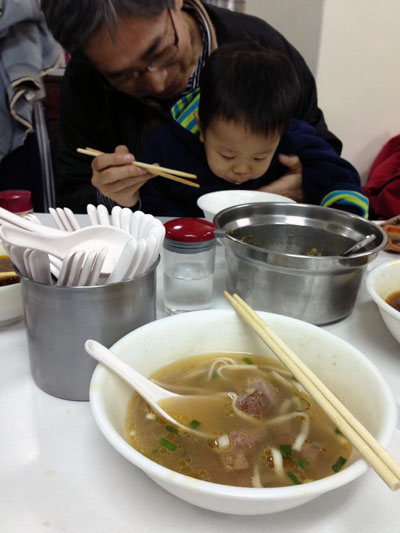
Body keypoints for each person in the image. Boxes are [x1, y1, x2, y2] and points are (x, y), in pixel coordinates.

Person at [41, 0, 342, 213]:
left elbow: (323, 148)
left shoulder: (263, 53)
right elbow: (73, 192)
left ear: (175, 2)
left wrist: (306, 185)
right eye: (123, 75)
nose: (157, 83)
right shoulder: (87, 80)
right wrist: (113, 198)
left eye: (160, 51)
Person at [138, 42, 368, 217]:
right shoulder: (168, 147)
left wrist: (344, 215)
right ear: (201, 126)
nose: (241, 169)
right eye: (227, 155)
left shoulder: (292, 137)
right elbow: (154, 207)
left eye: (260, 157)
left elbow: (337, 175)